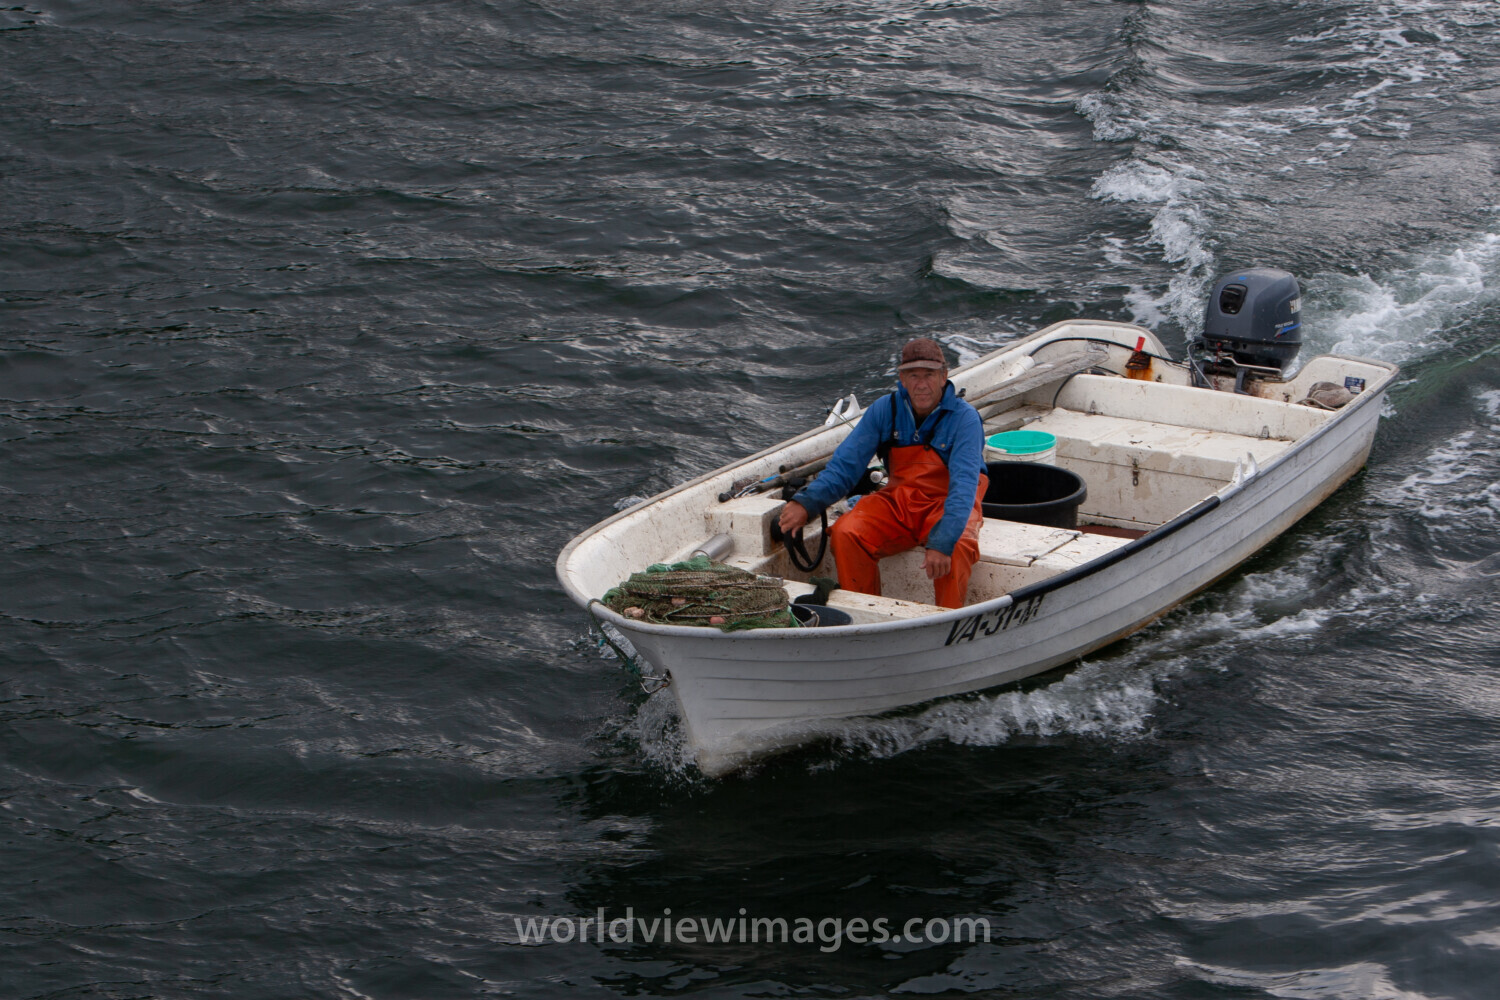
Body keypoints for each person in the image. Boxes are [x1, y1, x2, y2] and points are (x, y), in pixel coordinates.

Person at [778, 337, 988, 609]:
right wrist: (807, 503)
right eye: (913, 375)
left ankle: (948, 619)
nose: (921, 384)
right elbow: (845, 465)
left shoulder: (965, 418)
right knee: (846, 532)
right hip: (900, 499)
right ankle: (863, 615)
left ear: (943, 376)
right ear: (902, 379)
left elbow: (964, 486)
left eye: (929, 374)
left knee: (957, 546)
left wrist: (943, 541)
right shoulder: (884, 409)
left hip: (947, 503)